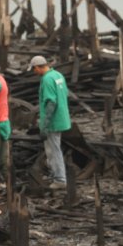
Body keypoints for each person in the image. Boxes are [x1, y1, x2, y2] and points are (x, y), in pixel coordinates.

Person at [30, 55, 70, 190]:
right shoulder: (57, 75)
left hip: (53, 120)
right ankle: (56, 175)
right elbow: (65, 93)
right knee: (54, 148)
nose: (34, 72)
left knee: (53, 150)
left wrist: (45, 124)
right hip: (61, 117)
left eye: (34, 69)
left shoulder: (47, 79)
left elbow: (51, 102)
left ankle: (60, 179)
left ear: (37, 67)